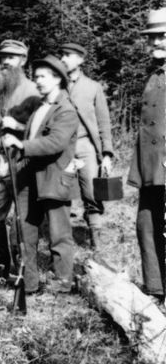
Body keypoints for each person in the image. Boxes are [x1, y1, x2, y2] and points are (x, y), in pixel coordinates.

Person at [1, 56, 79, 295]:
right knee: (25, 231)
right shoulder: (40, 107)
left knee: (59, 235)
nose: (38, 81)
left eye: (43, 76)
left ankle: (63, 284)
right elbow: (35, 134)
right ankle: (29, 282)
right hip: (29, 178)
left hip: (54, 178)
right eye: (36, 76)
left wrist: (21, 145)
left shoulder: (66, 109)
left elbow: (55, 142)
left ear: (58, 79)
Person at [0, 40, 42, 285]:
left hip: (20, 164)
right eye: (3, 57)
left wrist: (19, 128)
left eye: (12, 57)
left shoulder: (34, 92)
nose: (5, 61)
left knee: (21, 223)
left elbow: (43, 130)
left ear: (23, 60)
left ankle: (25, 273)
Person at [59, 42, 115, 246]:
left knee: (91, 193)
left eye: (68, 55)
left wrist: (107, 153)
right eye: (62, 55)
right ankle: (62, 240)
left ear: (81, 60)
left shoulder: (93, 87)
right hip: (62, 147)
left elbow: (103, 122)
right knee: (61, 192)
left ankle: (96, 240)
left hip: (86, 146)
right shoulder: (56, 87)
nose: (63, 59)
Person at [128, 7, 166, 305]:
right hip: (150, 166)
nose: (156, 43)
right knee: (146, 224)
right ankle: (155, 287)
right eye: (152, 38)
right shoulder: (154, 74)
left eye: (162, 36)